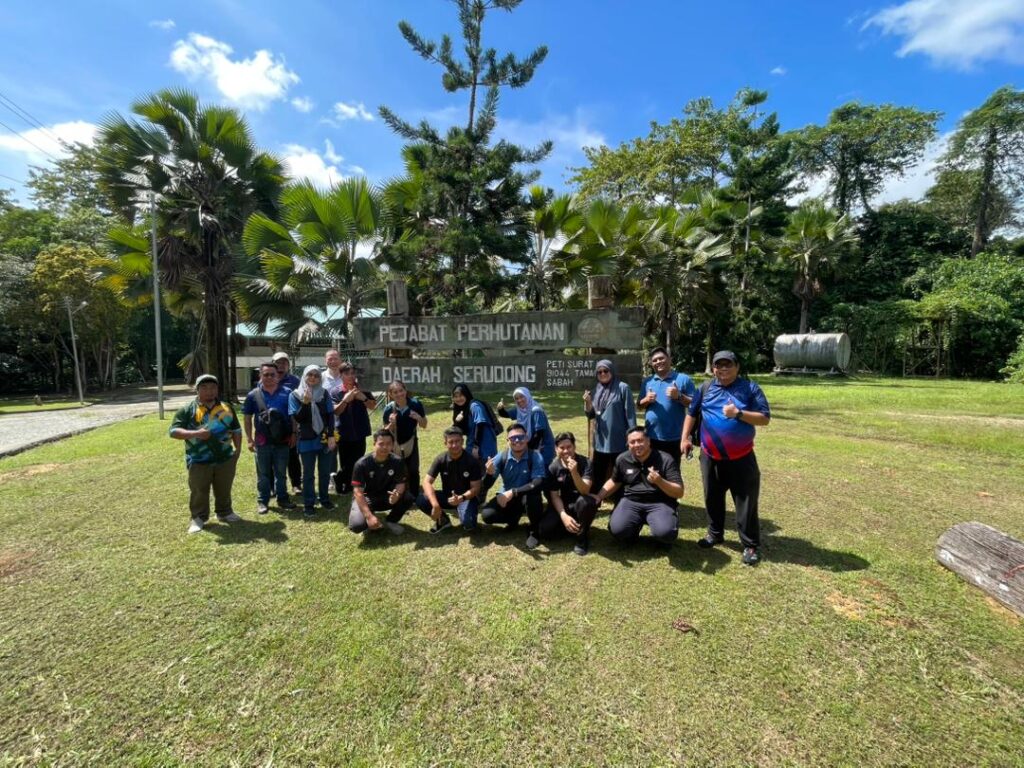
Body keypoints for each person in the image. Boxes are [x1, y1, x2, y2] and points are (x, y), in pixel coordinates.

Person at [682, 350, 771, 566]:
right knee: (712, 496)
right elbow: (692, 413)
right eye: (718, 365)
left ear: (737, 367)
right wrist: (684, 437)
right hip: (709, 456)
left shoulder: (750, 388)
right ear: (713, 368)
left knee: (745, 500)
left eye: (728, 364)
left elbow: (764, 418)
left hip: (741, 457)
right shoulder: (705, 388)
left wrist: (738, 413)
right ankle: (715, 534)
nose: (723, 369)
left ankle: (750, 545)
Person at [169, 374, 243, 534]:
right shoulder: (188, 410)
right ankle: (198, 518)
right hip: (198, 460)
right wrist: (195, 434)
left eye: (213, 387)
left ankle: (224, 512)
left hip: (225, 457)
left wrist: (237, 450)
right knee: (199, 490)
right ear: (197, 390)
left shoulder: (226, 408)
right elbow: (173, 431)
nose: (209, 391)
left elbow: (236, 430)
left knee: (224, 487)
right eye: (204, 387)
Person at [591, 426, 684, 546]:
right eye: (632, 442)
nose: (637, 445)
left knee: (666, 533)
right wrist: (599, 496)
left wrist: (660, 481)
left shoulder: (665, 459)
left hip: (659, 502)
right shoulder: (623, 459)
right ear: (628, 445)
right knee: (618, 530)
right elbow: (614, 481)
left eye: (640, 440)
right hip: (631, 500)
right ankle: (633, 529)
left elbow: (679, 492)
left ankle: (662, 529)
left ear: (648, 441)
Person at [480, 423, 547, 549]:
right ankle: (513, 518)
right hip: (508, 497)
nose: (517, 441)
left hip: (526, 495)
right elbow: (486, 485)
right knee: (487, 515)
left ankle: (534, 530)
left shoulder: (535, 456)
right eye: (513, 438)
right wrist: (488, 474)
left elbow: (538, 482)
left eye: (520, 437)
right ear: (508, 440)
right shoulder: (502, 456)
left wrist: (514, 491)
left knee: (533, 497)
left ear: (526, 438)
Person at [242, 362, 297, 514]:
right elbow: (247, 418)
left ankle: (283, 499)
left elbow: (293, 416)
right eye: (266, 374)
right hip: (262, 441)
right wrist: (249, 439)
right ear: (260, 375)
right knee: (263, 474)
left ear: (277, 376)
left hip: (283, 440)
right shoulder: (253, 395)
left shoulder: (288, 393)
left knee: (281, 472)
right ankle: (263, 501)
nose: (269, 377)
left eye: (273, 374)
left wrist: (294, 433)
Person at [584, 359, 636, 502]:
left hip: (618, 440)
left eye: (605, 370)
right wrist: (588, 402)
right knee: (598, 472)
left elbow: (630, 414)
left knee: (619, 471)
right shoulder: (596, 390)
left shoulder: (622, 388)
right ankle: (594, 501)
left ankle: (619, 500)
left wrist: (632, 437)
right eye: (599, 372)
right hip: (601, 441)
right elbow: (591, 415)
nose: (602, 374)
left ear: (612, 371)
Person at [288, 364, 337, 518]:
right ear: (304, 376)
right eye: (310, 374)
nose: (313, 378)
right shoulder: (295, 395)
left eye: (316, 375)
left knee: (324, 472)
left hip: (323, 439)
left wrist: (331, 435)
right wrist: (305, 403)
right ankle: (309, 503)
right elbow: (298, 418)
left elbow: (330, 415)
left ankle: (324, 499)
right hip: (306, 439)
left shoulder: (324, 393)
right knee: (308, 474)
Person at [538, 432, 597, 556]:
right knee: (545, 531)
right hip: (564, 504)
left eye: (569, 447)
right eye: (562, 448)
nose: (566, 451)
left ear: (574, 447)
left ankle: (582, 538)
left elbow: (585, 490)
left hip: (581, 502)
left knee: (586, 502)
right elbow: (554, 496)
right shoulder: (553, 467)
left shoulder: (586, 463)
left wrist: (574, 472)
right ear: (556, 449)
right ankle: (571, 528)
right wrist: (563, 515)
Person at [638, 347, 696, 470]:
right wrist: (646, 400)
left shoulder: (683, 379)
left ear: (669, 359)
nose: (658, 362)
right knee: (651, 471)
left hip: (674, 437)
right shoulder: (647, 381)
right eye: (654, 360)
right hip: (651, 436)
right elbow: (639, 405)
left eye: (661, 358)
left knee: (671, 471)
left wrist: (679, 396)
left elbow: (694, 405)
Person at [417, 426, 483, 533]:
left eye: (457, 441)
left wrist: (461, 498)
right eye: (451, 442)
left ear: (462, 441)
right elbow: (426, 482)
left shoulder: (472, 461)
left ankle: (466, 515)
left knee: (469, 525)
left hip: (466, 498)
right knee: (421, 499)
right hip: (447, 497)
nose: (454, 445)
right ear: (445, 443)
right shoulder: (441, 459)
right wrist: (435, 505)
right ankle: (443, 521)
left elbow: (476, 488)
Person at [348, 429, 414, 534]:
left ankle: (391, 521)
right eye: (381, 444)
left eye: (388, 444)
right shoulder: (361, 464)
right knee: (357, 525)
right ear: (374, 444)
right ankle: (368, 522)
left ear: (393, 445)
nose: (385, 447)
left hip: (387, 496)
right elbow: (358, 492)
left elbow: (401, 483)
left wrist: (397, 494)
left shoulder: (398, 461)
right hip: (367, 498)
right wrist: (369, 516)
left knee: (408, 497)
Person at [331, 361, 377, 495]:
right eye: (347, 373)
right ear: (341, 375)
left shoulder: (363, 389)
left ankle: (342, 481)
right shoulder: (335, 391)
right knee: (346, 462)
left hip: (360, 430)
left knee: (358, 460)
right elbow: (336, 411)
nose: (351, 376)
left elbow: (373, 406)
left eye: (353, 373)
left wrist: (363, 398)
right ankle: (342, 482)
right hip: (343, 432)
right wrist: (346, 399)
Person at [381, 379, 428, 492]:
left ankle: (414, 494)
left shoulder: (415, 404)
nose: (399, 394)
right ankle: (396, 493)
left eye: (401, 390)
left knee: (413, 470)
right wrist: (391, 424)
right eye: (395, 392)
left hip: (411, 442)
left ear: (405, 391)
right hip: (395, 444)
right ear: (391, 395)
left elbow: (424, 425)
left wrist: (418, 417)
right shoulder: (388, 409)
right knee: (396, 469)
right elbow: (384, 432)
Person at [498, 386, 555, 466]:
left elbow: (539, 434)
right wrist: (500, 409)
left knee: (542, 469)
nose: (519, 400)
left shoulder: (536, 411)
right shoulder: (520, 410)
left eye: (522, 397)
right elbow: (506, 414)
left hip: (542, 447)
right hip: (531, 444)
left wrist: (528, 449)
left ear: (527, 396)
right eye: (516, 398)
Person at [274, 351, 302, 493]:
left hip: (291, 423)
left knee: (293, 456)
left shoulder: (295, 381)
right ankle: (274, 486)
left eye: (284, 362)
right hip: (272, 426)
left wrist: (295, 429)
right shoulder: (266, 379)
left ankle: (296, 484)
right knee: (273, 456)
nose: (281, 365)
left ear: (288, 365)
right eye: (278, 362)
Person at [451, 383, 500, 463]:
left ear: (466, 395)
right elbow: (460, 431)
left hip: (484, 448)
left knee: (485, 470)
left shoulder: (475, 406)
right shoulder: (463, 409)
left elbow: (480, 424)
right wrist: (457, 421)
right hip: (471, 446)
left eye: (461, 396)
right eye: (455, 397)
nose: (458, 399)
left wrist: (476, 447)